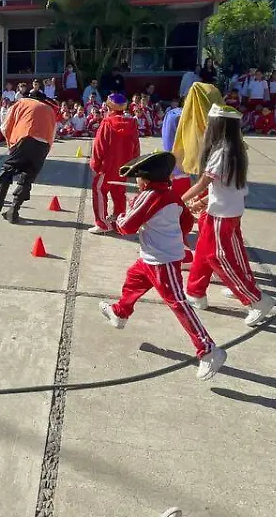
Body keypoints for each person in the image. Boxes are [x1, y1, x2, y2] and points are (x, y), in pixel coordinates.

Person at [97, 152, 224, 379]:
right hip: (151, 256)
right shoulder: (171, 195)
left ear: (144, 179)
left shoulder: (147, 197)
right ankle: (120, 313)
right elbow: (186, 223)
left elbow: (126, 226)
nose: (135, 181)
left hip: (162, 260)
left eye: (136, 177)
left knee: (178, 303)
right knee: (133, 279)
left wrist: (118, 217)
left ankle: (208, 350)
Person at [179, 104, 276, 326]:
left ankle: (256, 300)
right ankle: (196, 292)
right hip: (225, 209)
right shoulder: (235, 148)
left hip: (222, 214)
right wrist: (203, 202)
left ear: (219, 125)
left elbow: (204, 182)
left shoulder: (222, 151)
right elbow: (225, 187)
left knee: (220, 258)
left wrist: (179, 200)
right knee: (206, 251)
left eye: (210, 123)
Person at [0, 89, 57, 223]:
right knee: (27, 178)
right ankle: (13, 211)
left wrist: (11, 145)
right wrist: (44, 152)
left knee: (8, 168)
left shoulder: (22, 102)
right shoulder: (50, 110)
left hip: (25, 138)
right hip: (43, 145)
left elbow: (5, 127)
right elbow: (53, 134)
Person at [88, 94, 140, 234]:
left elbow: (99, 146)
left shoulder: (107, 122)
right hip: (123, 166)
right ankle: (119, 219)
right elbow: (136, 146)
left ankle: (102, 224)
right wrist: (133, 165)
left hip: (107, 166)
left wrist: (95, 165)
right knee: (118, 192)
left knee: (99, 191)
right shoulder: (132, 123)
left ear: (109, 106)